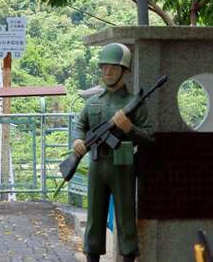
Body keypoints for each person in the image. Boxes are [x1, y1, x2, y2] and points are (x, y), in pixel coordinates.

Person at [72, 43, 155, 262]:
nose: (107, 72)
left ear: (124, 71)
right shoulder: (92, 103)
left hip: (123, 165)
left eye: (113, 68)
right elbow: (80, 125)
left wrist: (130, 128)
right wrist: (78, 140)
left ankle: (128, 256)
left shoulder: (133, 103)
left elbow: (150, 138)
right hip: (98, 164)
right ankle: (92, 256)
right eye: (104, 67)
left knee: (126, 217)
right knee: (94, 218)